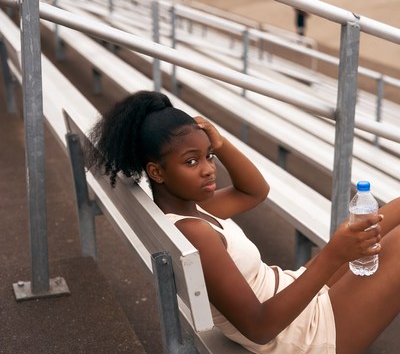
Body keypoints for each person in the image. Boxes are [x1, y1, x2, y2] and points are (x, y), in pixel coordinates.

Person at [87, 90, 400, 354]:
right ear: (156, 172)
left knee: (392, 214)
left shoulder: (190, 211)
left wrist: (220, 145)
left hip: (293, 299)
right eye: (191, 161)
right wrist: (334, 254)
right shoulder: (195, 233)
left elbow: (255, 192)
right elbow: (259, 327)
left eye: (208, 156)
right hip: (305, 336)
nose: (208, 169)